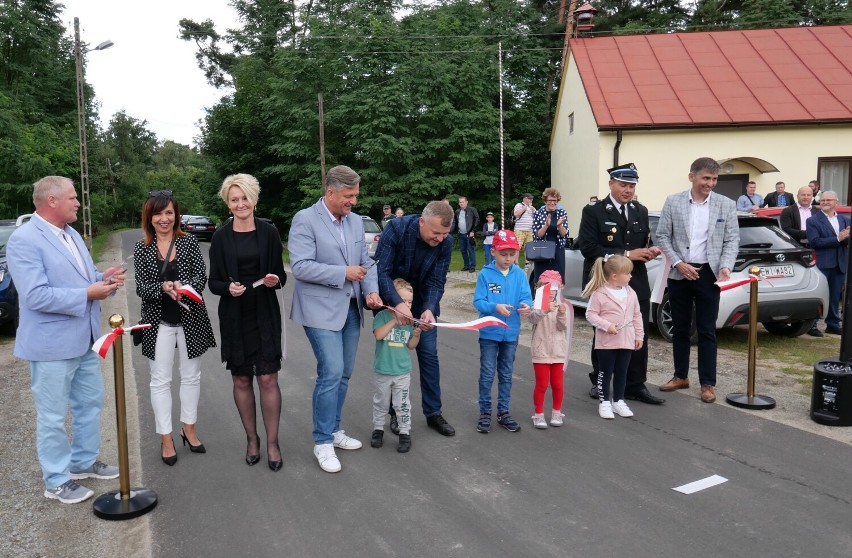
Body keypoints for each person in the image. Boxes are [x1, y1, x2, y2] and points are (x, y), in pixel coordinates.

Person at [7, 176, 125, 504]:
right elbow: (35, 296)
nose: (78, 203)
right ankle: (56, 480)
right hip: (50, 346)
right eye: (72, 198)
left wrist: (103, 278)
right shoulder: (25, 239)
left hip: (84, 338)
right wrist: (88, 293)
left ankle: (82, 462)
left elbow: (79, 277)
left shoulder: (70, 233)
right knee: (53, 415)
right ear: (52, 201)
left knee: (90, 403)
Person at [289, 165, 382, 473]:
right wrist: (342, 273)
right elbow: (300, 266)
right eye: (349, 195)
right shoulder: (305, 219)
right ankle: (322, 442)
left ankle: (333, 430)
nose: (354, 201)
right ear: (330, 192)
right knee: (332, 371)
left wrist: (370, 291)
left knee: (344, 374)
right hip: (319, 311)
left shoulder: (356, 223)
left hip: (352, 308)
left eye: (355, 195)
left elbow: (367, 262)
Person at [209, 174, 287, 472]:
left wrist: (274, 279)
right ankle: (252, 439)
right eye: (234, 199)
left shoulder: (269, 233)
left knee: (268, 378)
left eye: (244, 198)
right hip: (235, 316)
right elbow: (213, 281)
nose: (240, 204)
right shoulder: (220, 237)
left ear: (253, 199)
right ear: (228, 204)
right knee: (241, 379)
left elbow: (282, 275)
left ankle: (273, 443)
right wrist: (227, 288)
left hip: (265, 313)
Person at [134, 191, 217, 466]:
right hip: (158, 322)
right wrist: (162, 287)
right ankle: (166, 437)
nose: (164, 218)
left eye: (169, 212)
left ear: (176, 215)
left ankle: (189, 428)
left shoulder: (190, 242)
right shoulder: (141, 248)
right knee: (160, 380)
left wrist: (184, 287)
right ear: (150, 217)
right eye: (158, 213)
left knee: (191, 377)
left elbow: (199, 277)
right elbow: (141, 287)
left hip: (190, 317)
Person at [577, 163, 664, 405]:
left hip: (635, 280)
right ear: (611, 184)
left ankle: (635, 385)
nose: (628, 190)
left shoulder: (640, 210)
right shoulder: (594, 211)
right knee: (606, 332)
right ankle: (601, 381)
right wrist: (627, 254)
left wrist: (649, 251)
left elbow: (642, 243)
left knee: (638, 332)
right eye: (623, 185)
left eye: (632, 186)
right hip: (606, 281)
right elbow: (588, 248)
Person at [655, 157, 739, 404]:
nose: (710, 183)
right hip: (679, 273)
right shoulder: (674, 201)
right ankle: (680, 376)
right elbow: (662, 236)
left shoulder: (726, 204)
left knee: (706, 330)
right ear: (692, 176)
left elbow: (732, 239)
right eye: (706, 178)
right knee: (680, 329)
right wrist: (679, 262)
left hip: (709, 275)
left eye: (714, 179)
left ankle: (707, 383)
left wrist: (725, 266)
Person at [374, 201, 456, 437]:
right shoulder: (396, 230)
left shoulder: (445, 243)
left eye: (444, 234)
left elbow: (437, 280)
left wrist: (429, 308)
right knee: (393, 358)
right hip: (392, 300)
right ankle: (394, 414)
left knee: (429, 355)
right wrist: (397, 305)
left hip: (421, 303)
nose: (440, 239)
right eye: (435, 233)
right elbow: (381, 272)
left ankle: (433, 413)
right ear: (422, 221)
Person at [473, 230, 532, 433]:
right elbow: (478, 301)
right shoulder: (485, 274)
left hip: (511, 332)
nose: (508, 258)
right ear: (493, 252)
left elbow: (527, 297)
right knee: (488, 373)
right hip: (489, 332)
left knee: (506, 374)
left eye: (512, 254)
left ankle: (503, 412)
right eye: (503, 254)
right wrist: (494, 307)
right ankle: (485, 412)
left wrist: (526, 305)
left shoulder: (520, 274)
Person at [583, 255, 644, 420]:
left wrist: (639, 335)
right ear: (615, 276)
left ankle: (619, 401)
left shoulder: (631, 293)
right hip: (607, 342)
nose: (631, 276)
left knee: (622, 372)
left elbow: (637, 315)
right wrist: (606, 325)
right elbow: (590, 314)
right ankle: (605, 403)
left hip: (626, 340)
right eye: (628, 273)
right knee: (605, 371)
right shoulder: (599, 293)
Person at [370, 279, 421, 453]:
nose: (407, 305)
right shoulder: (381, 317)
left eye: (409, 302)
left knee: (402, 404)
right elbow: (379, 335)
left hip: (402, 371)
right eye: (403, 301)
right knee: (381, 402)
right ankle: (378, 429)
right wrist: (394, 321)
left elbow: (411, 346)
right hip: (383, 370)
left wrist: (416, 335)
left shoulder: (409, 322)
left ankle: (405, 432)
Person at [528, 270, 569, 429]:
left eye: (554, 288)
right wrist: (545, 309)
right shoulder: (536, 304)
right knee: (542, 384)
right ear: (540, 288)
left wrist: (561, 314)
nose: (551, 292)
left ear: (559, 289)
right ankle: (538, 415)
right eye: (547, 288)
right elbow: (532, 319)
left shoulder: (562, 305)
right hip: (541, 351)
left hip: (558, 352)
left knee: (558, 384)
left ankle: (556, 412)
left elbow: (562, 326)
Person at [806, 191, 850, 336]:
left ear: (836, 202)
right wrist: (838, 238)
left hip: (839, 263)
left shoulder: (844, 220)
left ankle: (832, 324)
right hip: (822, 263)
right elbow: (815, 242)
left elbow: (847, 241)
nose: (825, 202)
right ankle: (811, 325)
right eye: (823, 200)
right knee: (818, 295)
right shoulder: (813, 220)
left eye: (828, 200)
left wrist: (846, 238)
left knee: (835, 296)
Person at [532, 188, 570, 284]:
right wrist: (546, 226)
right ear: (545, 201)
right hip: (542, 250)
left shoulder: (562, 213)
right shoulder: (538, 213)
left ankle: (556, 298)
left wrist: (559, 225)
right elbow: (537, 235)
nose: (552, 203)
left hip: (557, 251)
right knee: (541, 280)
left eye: (555, 200)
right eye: (550, 200)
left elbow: (564, 234)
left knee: (558, 280)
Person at [455, 196, 480, 272]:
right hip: (461, 234)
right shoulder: (457, 211)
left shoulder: (472, 210)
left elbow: (477, 220)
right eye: (460, 202)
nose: (461, 203)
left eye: (463, 202)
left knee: (470, 250)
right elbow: (456, 222)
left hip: (469, 233)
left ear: (466, 202)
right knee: (463, 250)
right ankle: (466, 265)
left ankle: (472, 266)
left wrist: (473, 231)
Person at [513, 193, 536, 264]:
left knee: (528, 247)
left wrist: (533, 210)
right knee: (517, 247)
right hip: (519, 230)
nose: (531, 200)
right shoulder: (519, 205)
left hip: (529, 230)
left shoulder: (532, 207)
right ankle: (516, 262)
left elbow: (537, 217)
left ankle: (527, 262)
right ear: (525, 199)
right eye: (530, 198)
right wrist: (524, 208)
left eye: (531, 199)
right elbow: (516, 214)